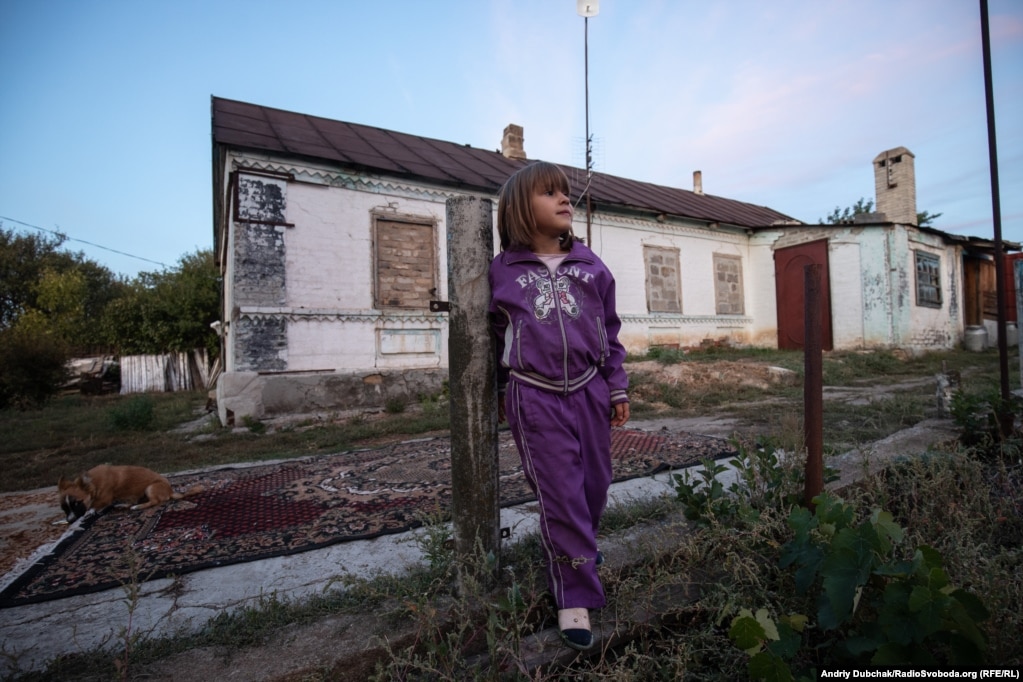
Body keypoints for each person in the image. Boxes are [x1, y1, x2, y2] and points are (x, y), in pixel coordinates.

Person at [488, 161, 630, 651]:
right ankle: (574, 593)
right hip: (534, 394)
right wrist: (497, 390)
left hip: (590, 389)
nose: (564, 200)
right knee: (562, 496)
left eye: (566, 193)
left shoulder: (592, 267)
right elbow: (490, 336)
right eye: (550, 194)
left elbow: (608, 333)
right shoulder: (501, 272)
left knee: (595, 485)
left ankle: (581, 551)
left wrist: (617, 387)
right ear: (519, 210)